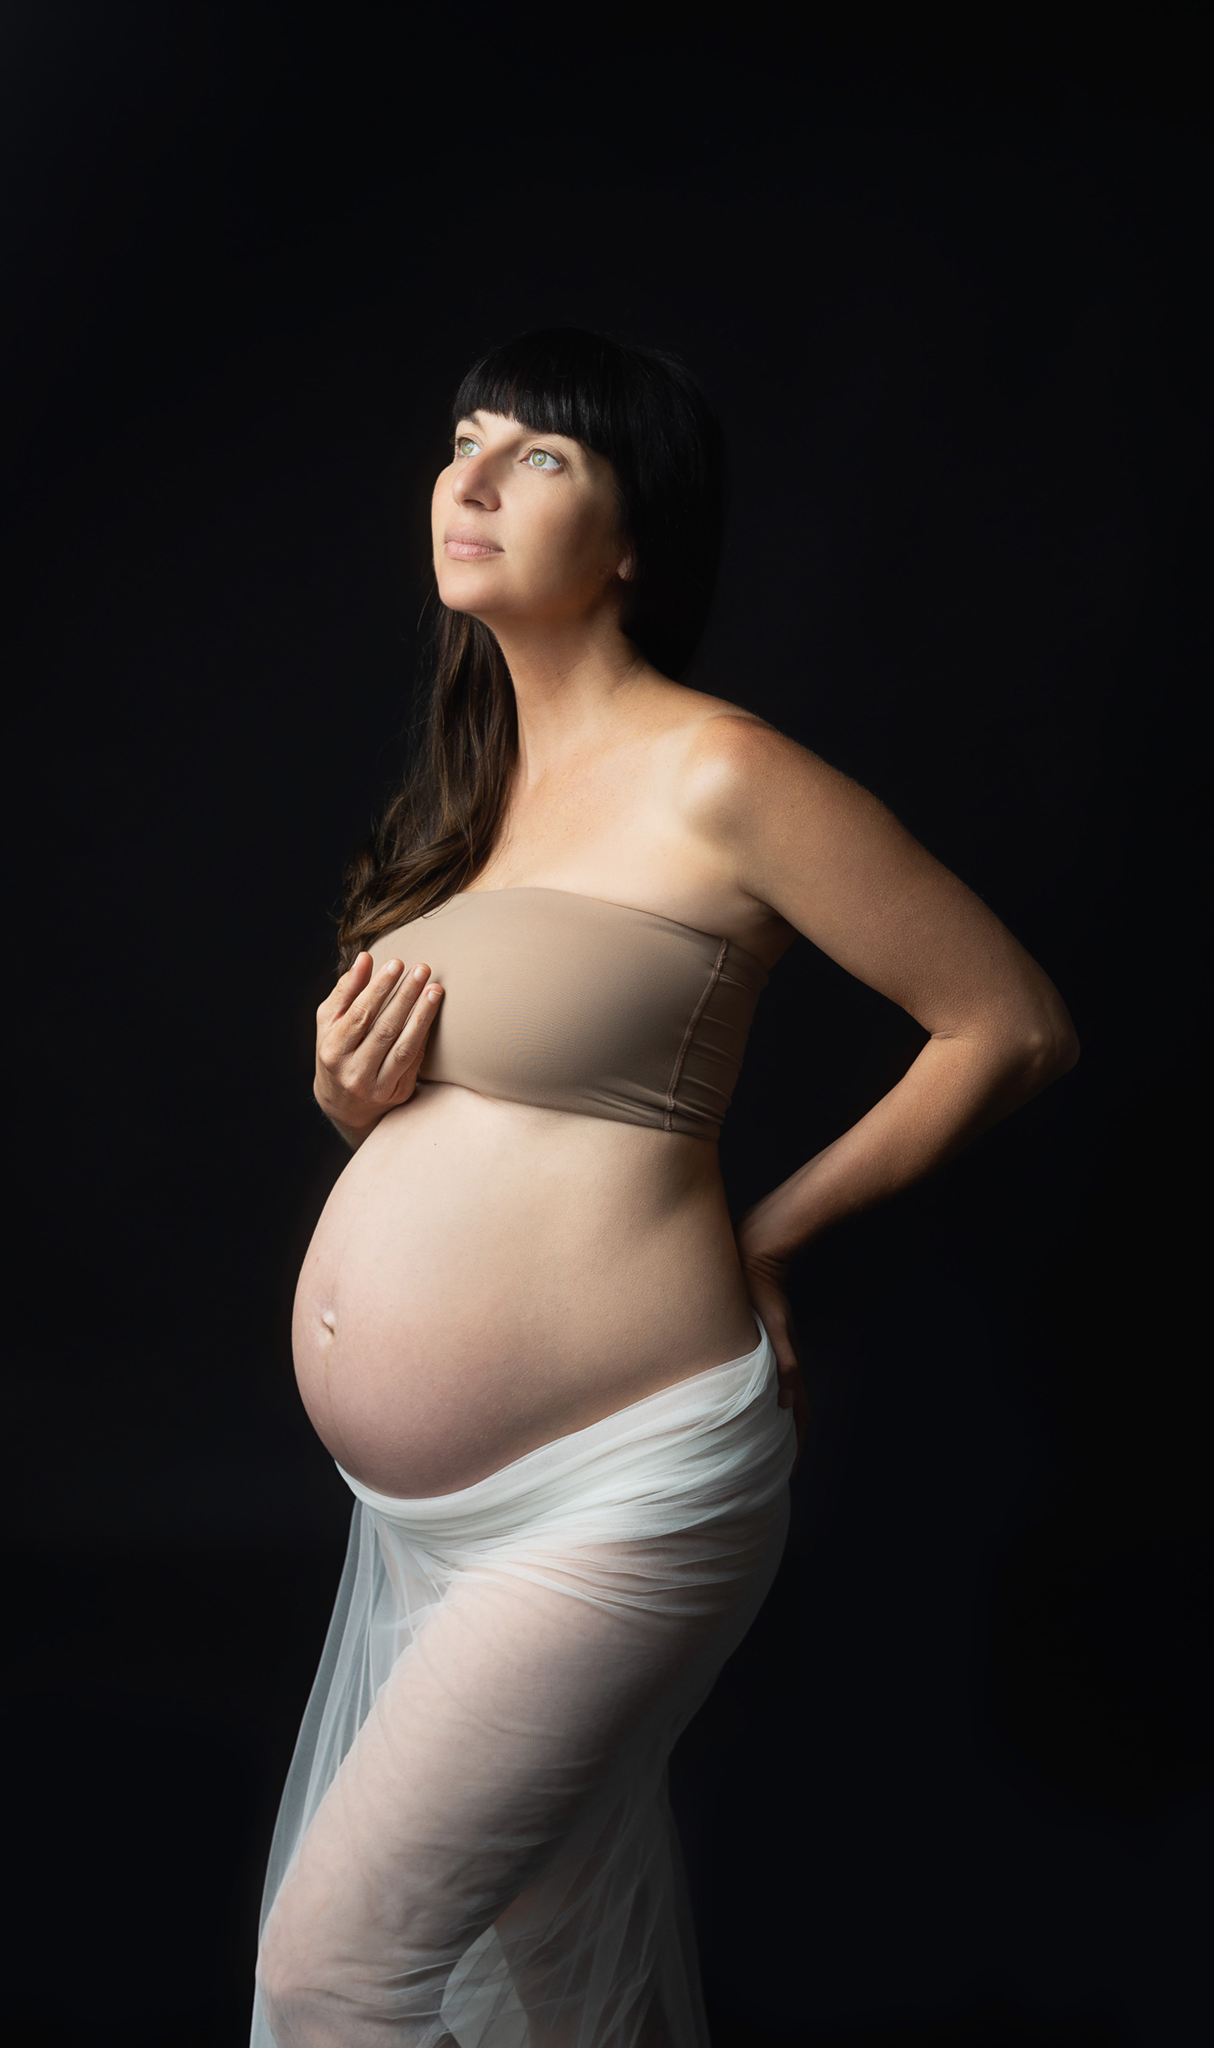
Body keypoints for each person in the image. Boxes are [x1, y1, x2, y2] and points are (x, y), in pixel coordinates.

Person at [249, 327, 1078, 2048]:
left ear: (634, 542)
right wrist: (358, 1109)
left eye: (538, 456)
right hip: (436, 1514)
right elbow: (511, 1145)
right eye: (462, 439)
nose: (468, 478)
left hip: (621, 1486)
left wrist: (769, 1233)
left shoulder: (720, 773)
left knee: (333, 1970)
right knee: (550, 1962)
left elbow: (1005, 1027)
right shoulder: (465, 812)